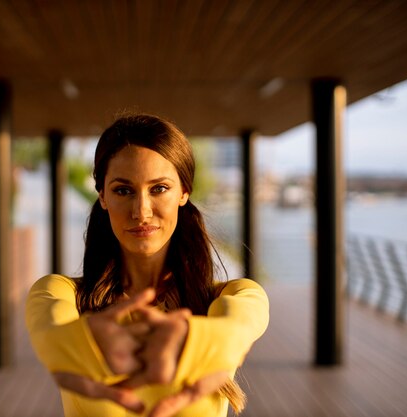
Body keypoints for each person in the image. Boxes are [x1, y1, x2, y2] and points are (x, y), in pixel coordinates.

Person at [25, 113, 269, 417]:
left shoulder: (232, 297)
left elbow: (238, 326)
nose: (141, 211)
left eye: (159, 188)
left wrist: (191, 341)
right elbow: (50, 333)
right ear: (102, 196)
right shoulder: (62, 295)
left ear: (184, 192)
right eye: (123, 190)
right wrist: (83, 343)